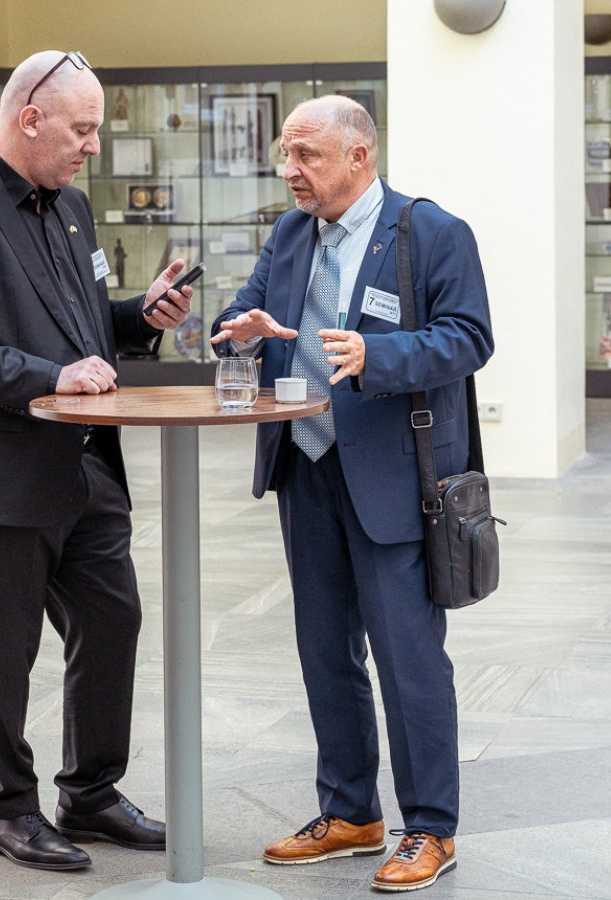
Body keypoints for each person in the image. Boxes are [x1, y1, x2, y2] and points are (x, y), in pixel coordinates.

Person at [0, 50, 195, 872]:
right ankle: (8, 810)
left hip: (87, 465)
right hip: (1, 474)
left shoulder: (71, 207)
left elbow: (81, 322)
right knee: (4, 653)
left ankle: (90, 793)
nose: (94, 146)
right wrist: (49, 377)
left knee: (113, 621)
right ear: (30, 118)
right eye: (83, 129)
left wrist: (139, 317)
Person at [210, 95, 493, 893]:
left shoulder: (431, 233)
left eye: (306, 155)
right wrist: (240, 332)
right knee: (325, 652)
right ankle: (349, 813)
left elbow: (470, 337)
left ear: (358, 156)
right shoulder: (290, 233)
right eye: (285, 155)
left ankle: (430, 828)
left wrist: (378, 354)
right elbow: (239, 313)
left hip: (395, 479)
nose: (290, 170)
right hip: (306, 467)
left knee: (409, 660)